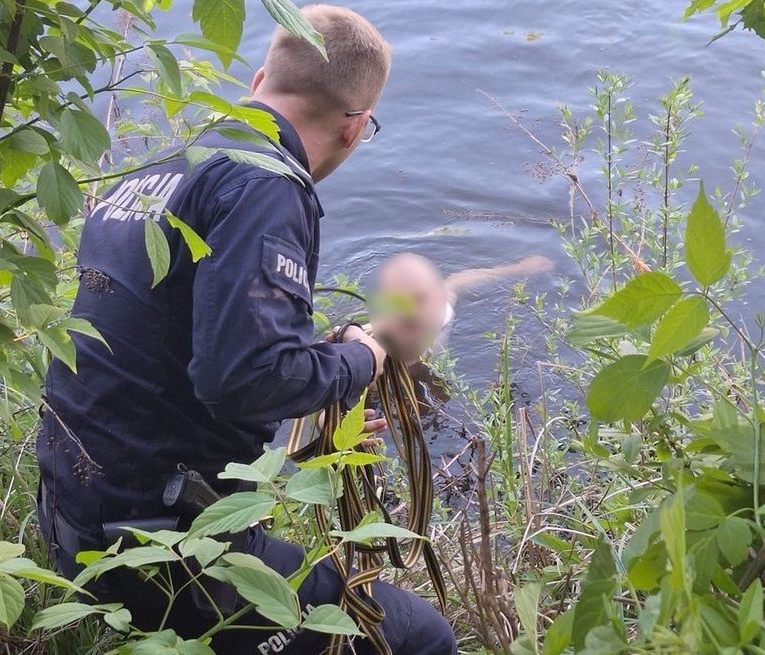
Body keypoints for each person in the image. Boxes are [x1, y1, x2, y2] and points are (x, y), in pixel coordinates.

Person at [36, 5, 457, 655]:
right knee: (418, 638)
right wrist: (365, 356)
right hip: (162, 551)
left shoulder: (160, 173)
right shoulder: (266, 184)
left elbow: (163, 371)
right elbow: (244, 378)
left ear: (260, 79)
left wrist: (305, 411)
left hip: (74, 520)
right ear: (352, 128)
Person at [370, 252, 555, 366]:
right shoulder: (371, 340)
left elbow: (455, 283)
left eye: (419, 300)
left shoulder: (441, 314)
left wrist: (517, 269)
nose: (411, 312)